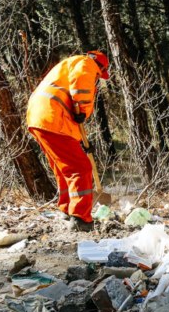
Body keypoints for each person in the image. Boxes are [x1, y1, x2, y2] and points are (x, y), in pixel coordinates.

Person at [26, 51, 109, 232]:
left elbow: (69, 110)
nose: (97, 80)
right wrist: (83, 109)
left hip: (40, 118)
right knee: (80, 168)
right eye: (100, 76)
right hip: (52, 117)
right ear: (100, 68)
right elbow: (81, 84)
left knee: (64, 168)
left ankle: (66, 209)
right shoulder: (86, 63)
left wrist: (81, 141)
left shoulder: (66, 66)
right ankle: (80, 218)